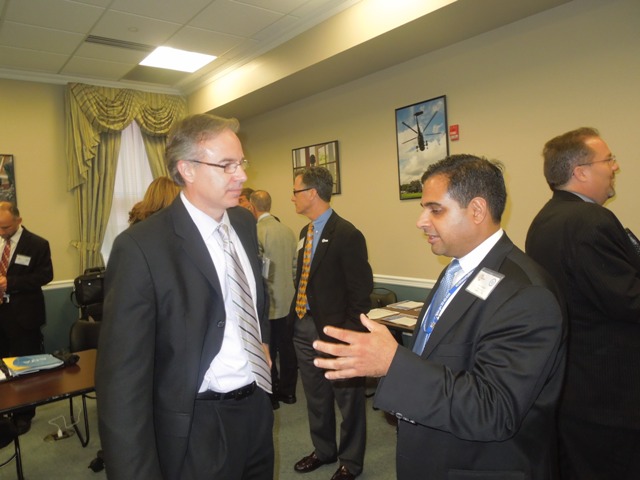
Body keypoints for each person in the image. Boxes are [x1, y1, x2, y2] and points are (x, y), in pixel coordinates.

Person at [313, 154, 566, 480]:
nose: (421, 221)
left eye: (435, 210)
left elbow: (494, 410)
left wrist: (393, 364)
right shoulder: (458, 271)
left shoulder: (527, 294)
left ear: (476, 210)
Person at [96, 114, 274, 480]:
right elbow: (122, 383)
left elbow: (253, 298)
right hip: (196, 424)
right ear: (187, 169)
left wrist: (263, 342)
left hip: (256, 408)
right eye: (226, 165)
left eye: (241, 163)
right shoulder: (140, 248)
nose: (241, 175)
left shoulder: (242, 222)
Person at [525, 128, 640, 480]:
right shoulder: (591, 220)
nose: (615, 167)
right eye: (608, 159)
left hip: (573, 385)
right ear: (581, 171)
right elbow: (628, 301)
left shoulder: (543, 221)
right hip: (609, 391)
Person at [289, 167, 373, 480]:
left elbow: (360, 293)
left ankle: (350, 462)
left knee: (348, 401)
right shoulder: (303, 234)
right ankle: (324, 451)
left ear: (312, 193)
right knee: (316, 396)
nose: (292, 198)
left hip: (335, 331)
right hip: (303, 326)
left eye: (296, 191)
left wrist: (348, 337)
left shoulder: (347, 234)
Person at [0, 201, 54, 434]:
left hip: (24, 317)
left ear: (18, 221)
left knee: (24, 369)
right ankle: (4, 410)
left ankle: (24, 414)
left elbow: (45, 275)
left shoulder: (37, 244)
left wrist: (11, 283)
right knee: (2, 366)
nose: (2, 232)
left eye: (5, 227)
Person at [249, 190, 298, 409]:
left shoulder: (256, 232)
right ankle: (289, 393)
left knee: (267, 348)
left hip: (268, 303)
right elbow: (296, 268)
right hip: (288, 300)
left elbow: (259, 271)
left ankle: (272, 393)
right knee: (287, 349)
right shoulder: (288, 231)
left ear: (252, 206)